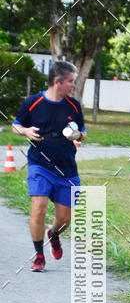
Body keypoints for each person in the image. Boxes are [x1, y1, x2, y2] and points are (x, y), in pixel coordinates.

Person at [12, 60, 86, 272]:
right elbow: (16, 124)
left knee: (64, 219)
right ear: (58, 82)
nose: (73, 85)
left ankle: (53, 234)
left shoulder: (73, 106)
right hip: (39, 165)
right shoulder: (33, 102)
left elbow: (84, 132)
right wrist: (25, 131)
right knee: (39, 209)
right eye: (71, 81)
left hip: (66, 169)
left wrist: (78, 135)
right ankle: (39, 255)